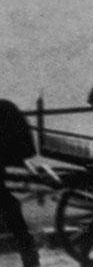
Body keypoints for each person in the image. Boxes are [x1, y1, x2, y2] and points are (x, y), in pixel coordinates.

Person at [0, 99, 38, 266]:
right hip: (9, 154)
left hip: (7, 153)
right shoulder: (5, 106)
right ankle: (30, 258)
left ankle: (30, 258)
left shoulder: (4, 108)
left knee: (8, 206)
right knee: (8, 207)